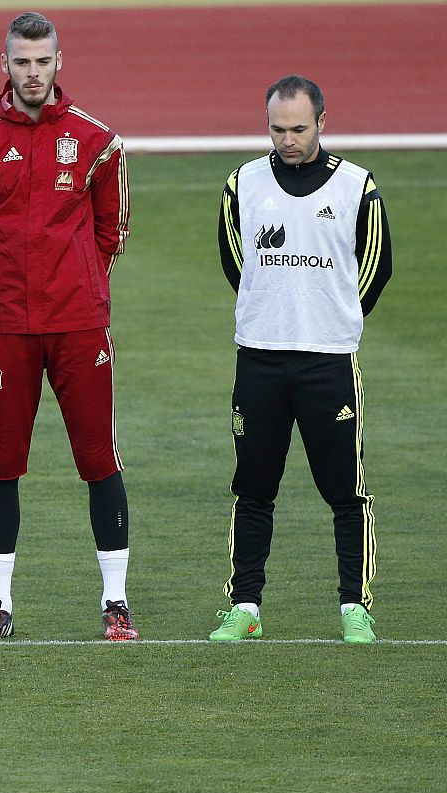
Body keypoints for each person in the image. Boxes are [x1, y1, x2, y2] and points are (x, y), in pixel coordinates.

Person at [0, 12, 134, 641]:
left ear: (60, 62)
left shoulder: (97, 141)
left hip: (80, 327)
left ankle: (116, 603)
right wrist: (7, 291)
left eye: (43, 60)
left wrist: (81, 286)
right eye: (22, 62)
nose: (33, 72)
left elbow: (113, 231)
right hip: (8, 330)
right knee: (1, 464)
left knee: (99, 457)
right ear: (5, 65)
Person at [209, 76, 393, 644]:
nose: (287, 140)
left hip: (328, 363)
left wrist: (328, 315)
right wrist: (275, 313)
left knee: (345, 491)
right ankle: (245, 605)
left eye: (298, 128)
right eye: (277, 128)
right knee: (254, 488)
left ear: (321, 123)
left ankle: (354, 607)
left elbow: (375, 268)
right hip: (260, 360)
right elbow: (235, 261)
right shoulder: (243, 184)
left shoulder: (358, 188)